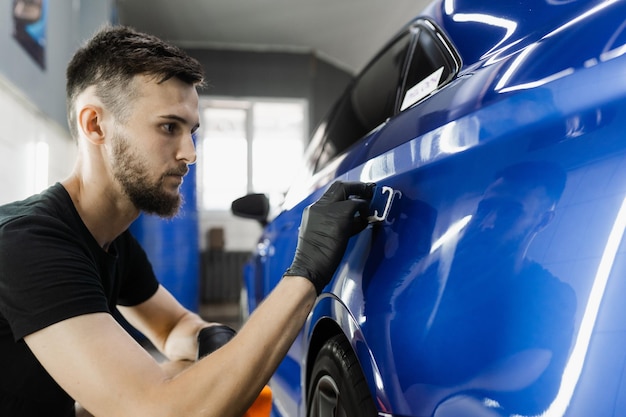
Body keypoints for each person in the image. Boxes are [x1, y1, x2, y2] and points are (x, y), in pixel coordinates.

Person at [0, 25, 374, 417]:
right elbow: (161, 412)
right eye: (168, 127)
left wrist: (210, 343)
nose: (190, 153)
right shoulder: (29, 243)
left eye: (191, 131)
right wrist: (305, 273)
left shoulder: (110, 240)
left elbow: (171, 328)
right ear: (95, 125)